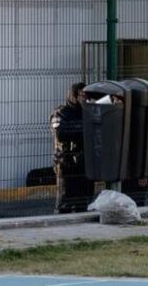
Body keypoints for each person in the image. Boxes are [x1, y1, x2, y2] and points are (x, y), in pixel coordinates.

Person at [51, 82, 92, 213]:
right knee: (65, 202)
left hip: (84, 162)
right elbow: (61, 133)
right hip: (67, 163)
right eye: (81, 95)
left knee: (83, 203)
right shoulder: (61, 112)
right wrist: (83, 128)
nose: (84, 99)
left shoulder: (87, 112)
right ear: (73, 96)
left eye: (86, 96)